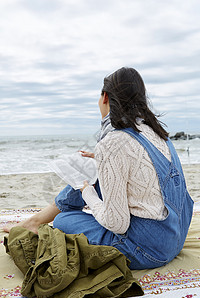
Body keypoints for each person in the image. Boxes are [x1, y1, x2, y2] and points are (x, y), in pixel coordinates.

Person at [4, 67, 194, 270]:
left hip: (147, 251)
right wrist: (101, 160)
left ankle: (36, 221)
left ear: (105, 97)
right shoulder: (156, 132)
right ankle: (35, 220)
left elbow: (117, 223)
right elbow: (147, 166)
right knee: (93, 172)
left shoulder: (114, 141)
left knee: (63, 220)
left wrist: (87, 192)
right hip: (175, 237)